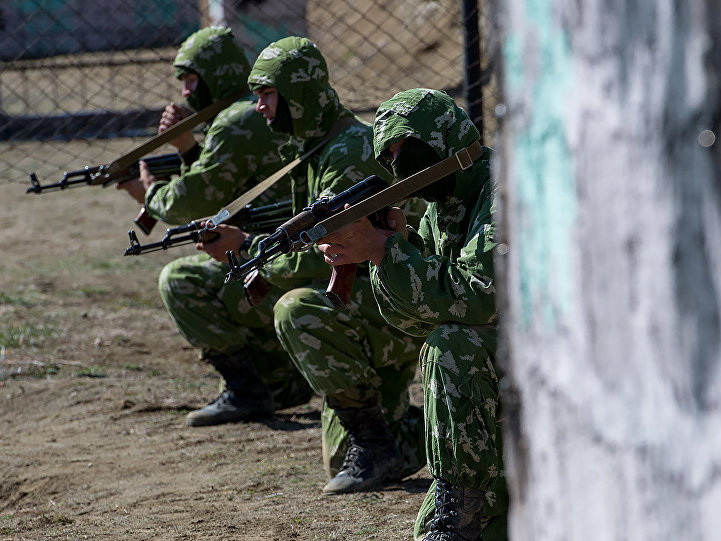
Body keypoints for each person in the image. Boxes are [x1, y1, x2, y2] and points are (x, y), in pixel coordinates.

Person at [202, 36, 426, 493]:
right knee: (337, 462)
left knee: (297, 308)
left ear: (296, 95)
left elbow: (333, 250)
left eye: (266, 94)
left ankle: (379, 442)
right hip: (377, 295)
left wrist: (247, 247)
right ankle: (417, 429)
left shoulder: (345, 152)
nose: (259, 107)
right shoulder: (317, 144)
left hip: (399, 301)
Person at [315, 88, 509, 540]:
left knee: (452, 346)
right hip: (503, 358)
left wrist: (389, 254)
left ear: (442, 144)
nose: (401, 170)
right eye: (390, 157)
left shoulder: (505, 188)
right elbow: (414, 321)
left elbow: (482, 299)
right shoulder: (444, 206)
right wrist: (393, 251)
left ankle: (460, 511)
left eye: (407, 151)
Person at [117, 26, 313, 426]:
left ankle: (249, 392)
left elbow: (193, 200)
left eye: (193, 80)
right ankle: (280, 381)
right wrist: (188, 146)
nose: (187, 92)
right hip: (289, 250)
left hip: (280, 259)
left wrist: (150, 192)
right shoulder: (246, 112)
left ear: (216, 77)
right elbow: (223, 186)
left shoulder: (236, 120)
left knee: (181, 280)